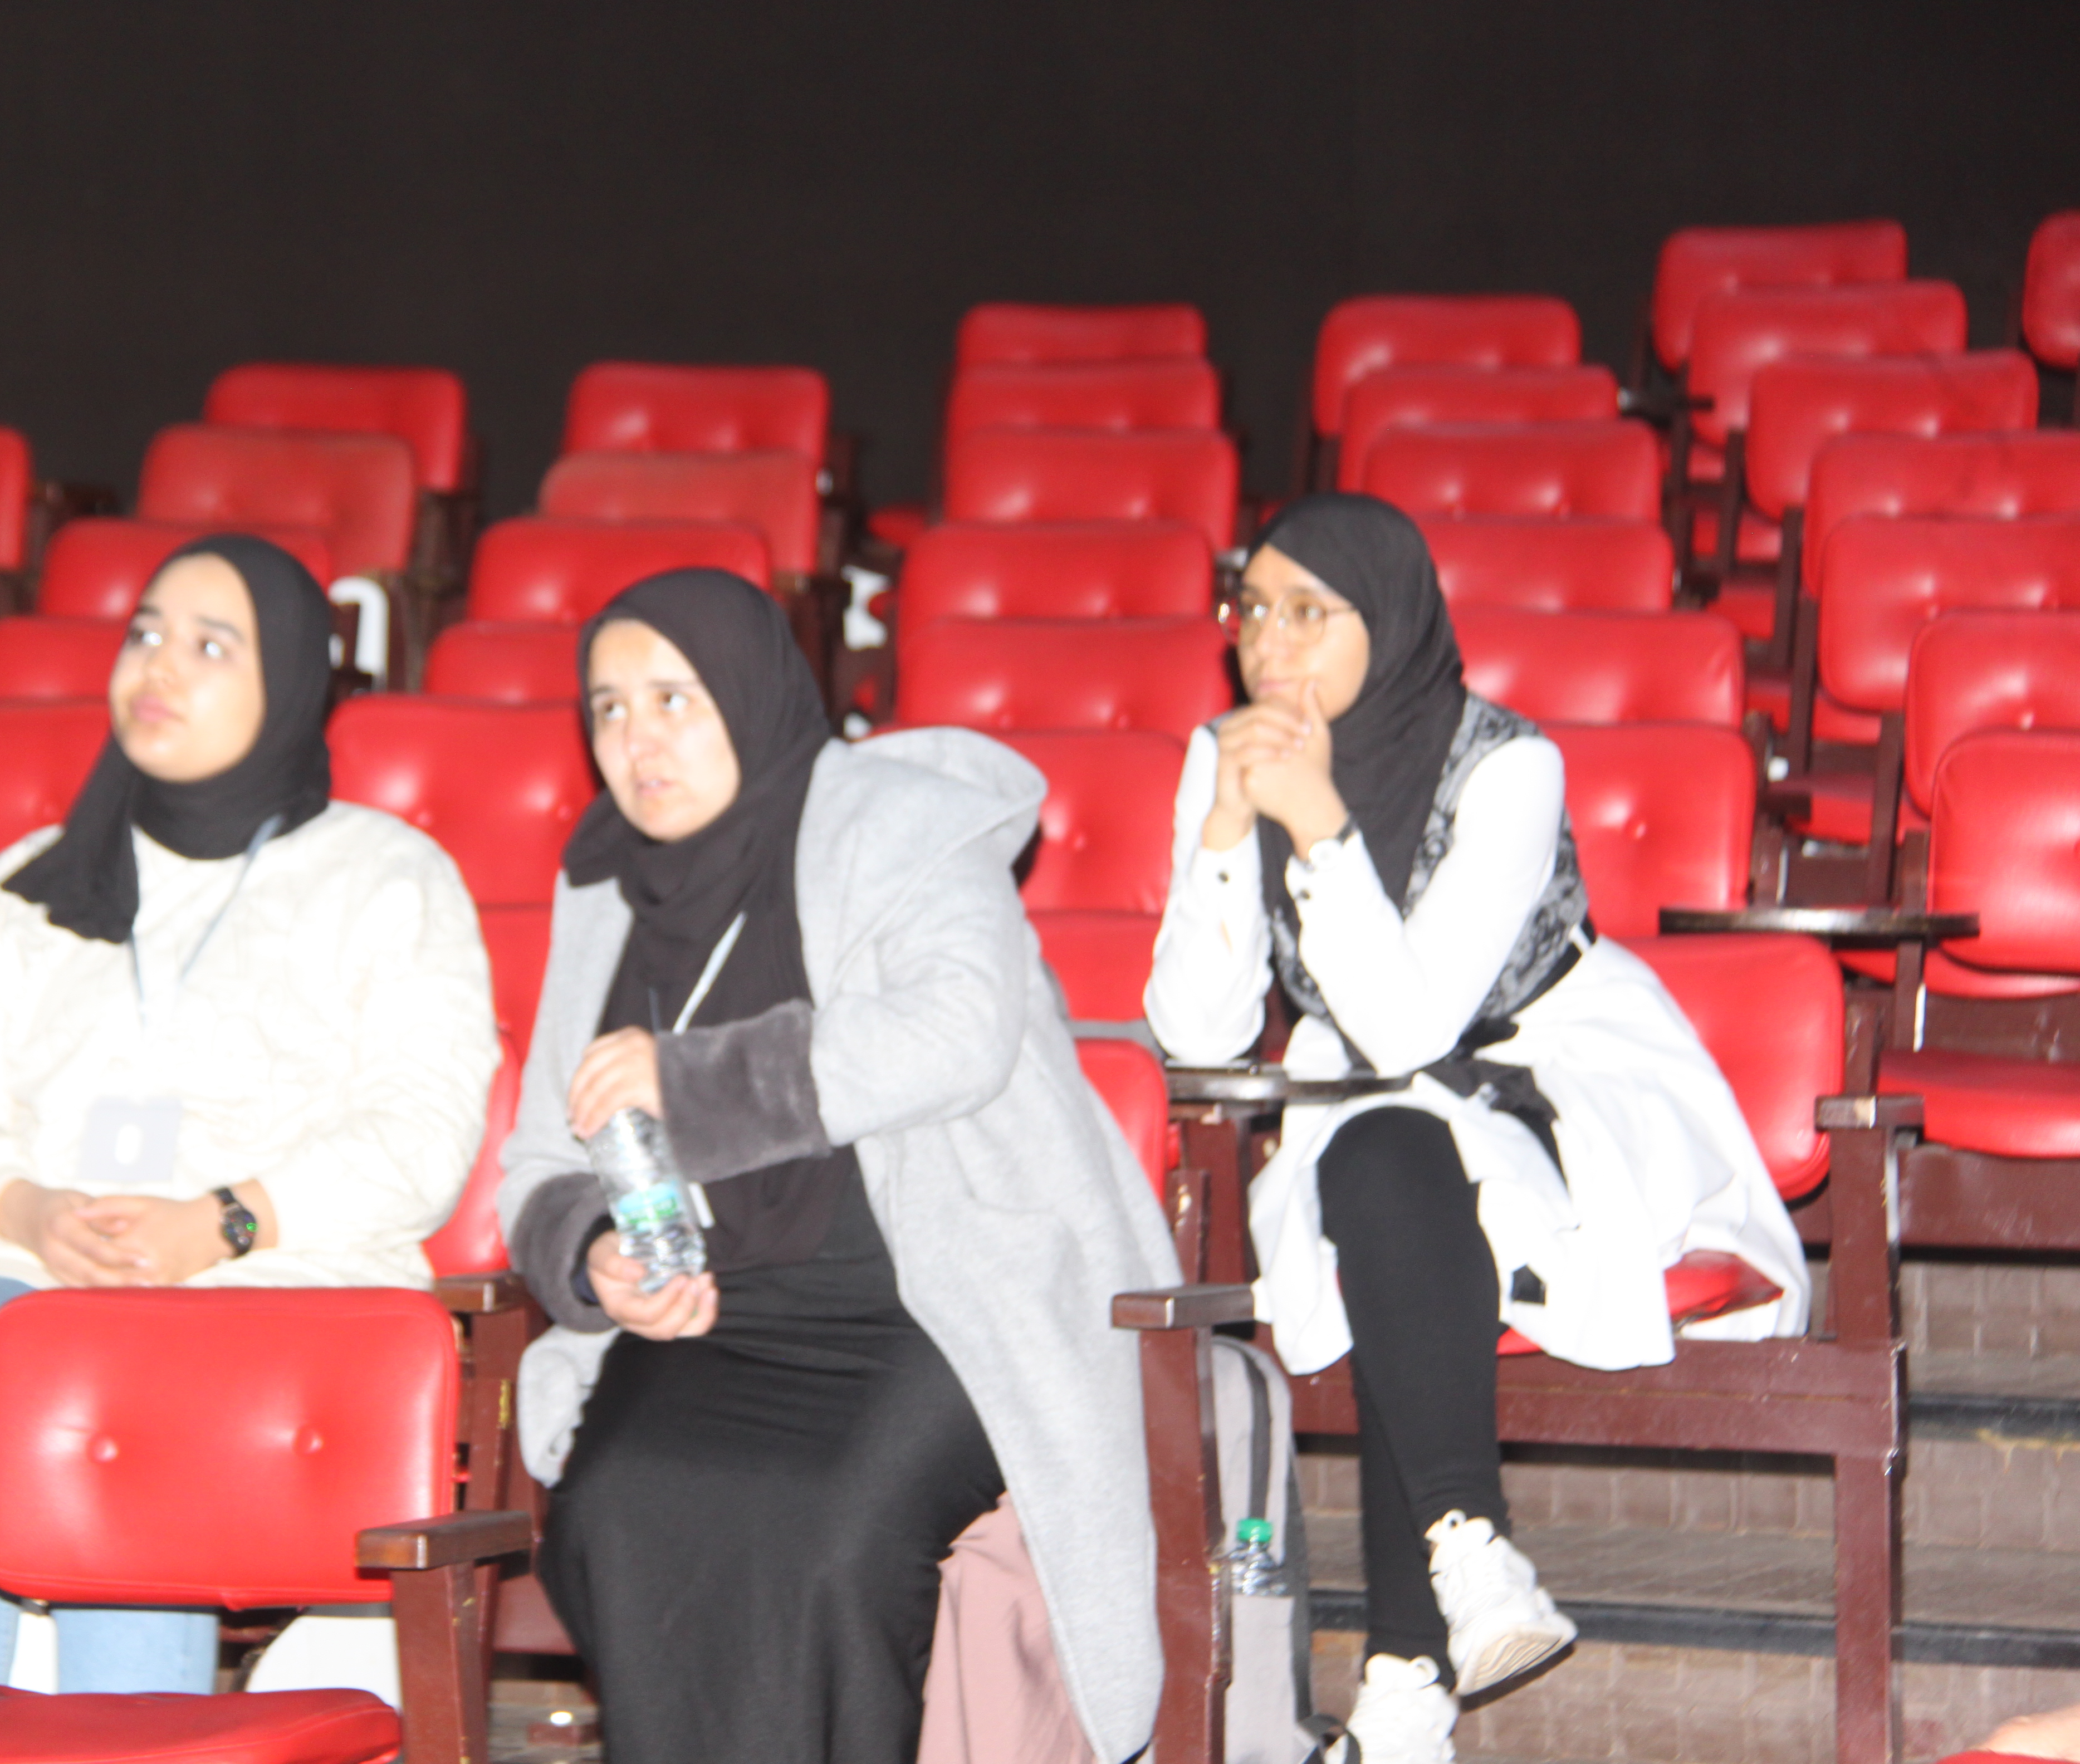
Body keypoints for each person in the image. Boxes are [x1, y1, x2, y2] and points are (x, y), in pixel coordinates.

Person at [1144, 495, 1809, 1764]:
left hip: (1554, 1067)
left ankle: (1408, 1669)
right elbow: (1199, 1031)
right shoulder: (1226, 756)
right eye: (1252, 611)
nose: (1268, 645)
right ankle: (1472, 1559)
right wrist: (1228, 830)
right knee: (1384, 1165)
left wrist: (1319, 823)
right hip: (1362, 1095)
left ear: (1389, 619)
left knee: (1392, 1174)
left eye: (1308, 613)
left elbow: (1414, 1023)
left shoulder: (1508, 764)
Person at [496, 569, 1180, 1764]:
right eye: (608, 708)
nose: (637, 740)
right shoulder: (602, 891)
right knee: (612, 1513)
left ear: (751, 690)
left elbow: (958, 1033)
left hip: (927, 1304)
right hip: (713, 1314)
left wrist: (692, 1084)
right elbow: (547, 1156)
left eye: (673, 698)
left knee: (826, 1537)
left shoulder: (900, 824)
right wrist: (594, 1256)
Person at [0, 533, 498, 1690]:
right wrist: (28, 1210)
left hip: (278, 1282)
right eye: (145, 634)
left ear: (289, 679)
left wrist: (220, 1222)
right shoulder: (24, 886)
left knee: (136, 1415)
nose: (158, 667)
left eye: (211, 646)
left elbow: (419, 1134)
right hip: (25, 1272)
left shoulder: (388, 877)